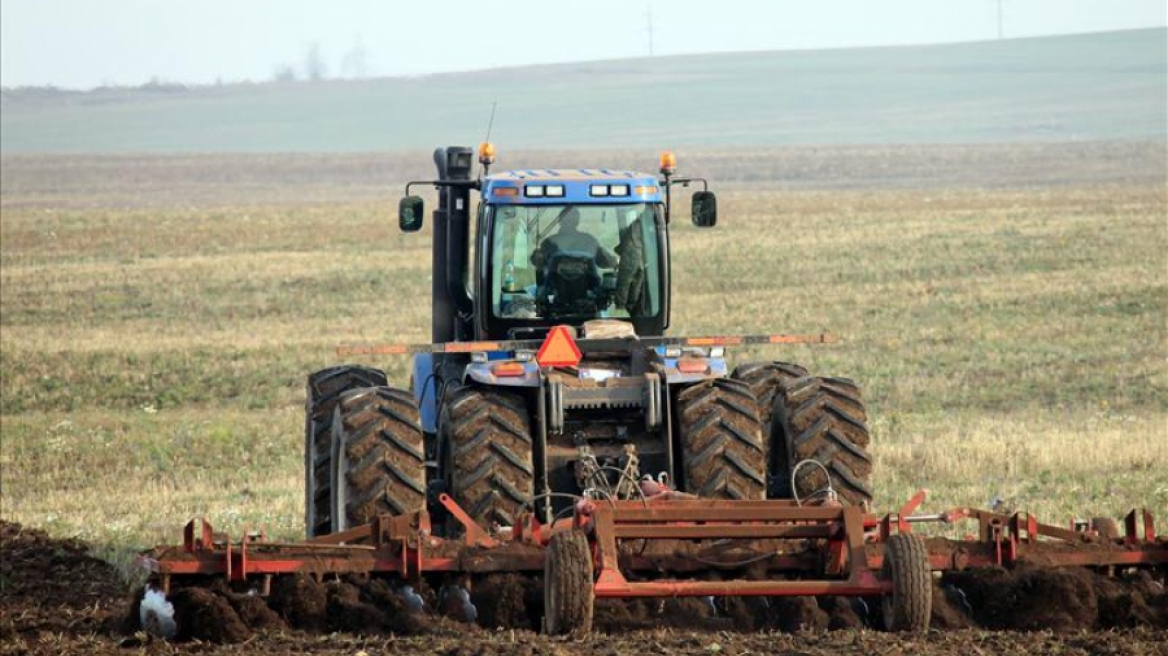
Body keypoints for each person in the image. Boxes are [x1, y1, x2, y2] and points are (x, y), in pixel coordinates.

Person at [532, 207, 617, 271]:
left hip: (554, 292)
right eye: (568, 219)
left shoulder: (548, 242)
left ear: (559, 221)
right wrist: (616, 261)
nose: (569, 221)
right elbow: (605, 261)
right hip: (586, 291)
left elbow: (537, 262)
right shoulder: (589, 241)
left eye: (571, 219)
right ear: (577, 221)